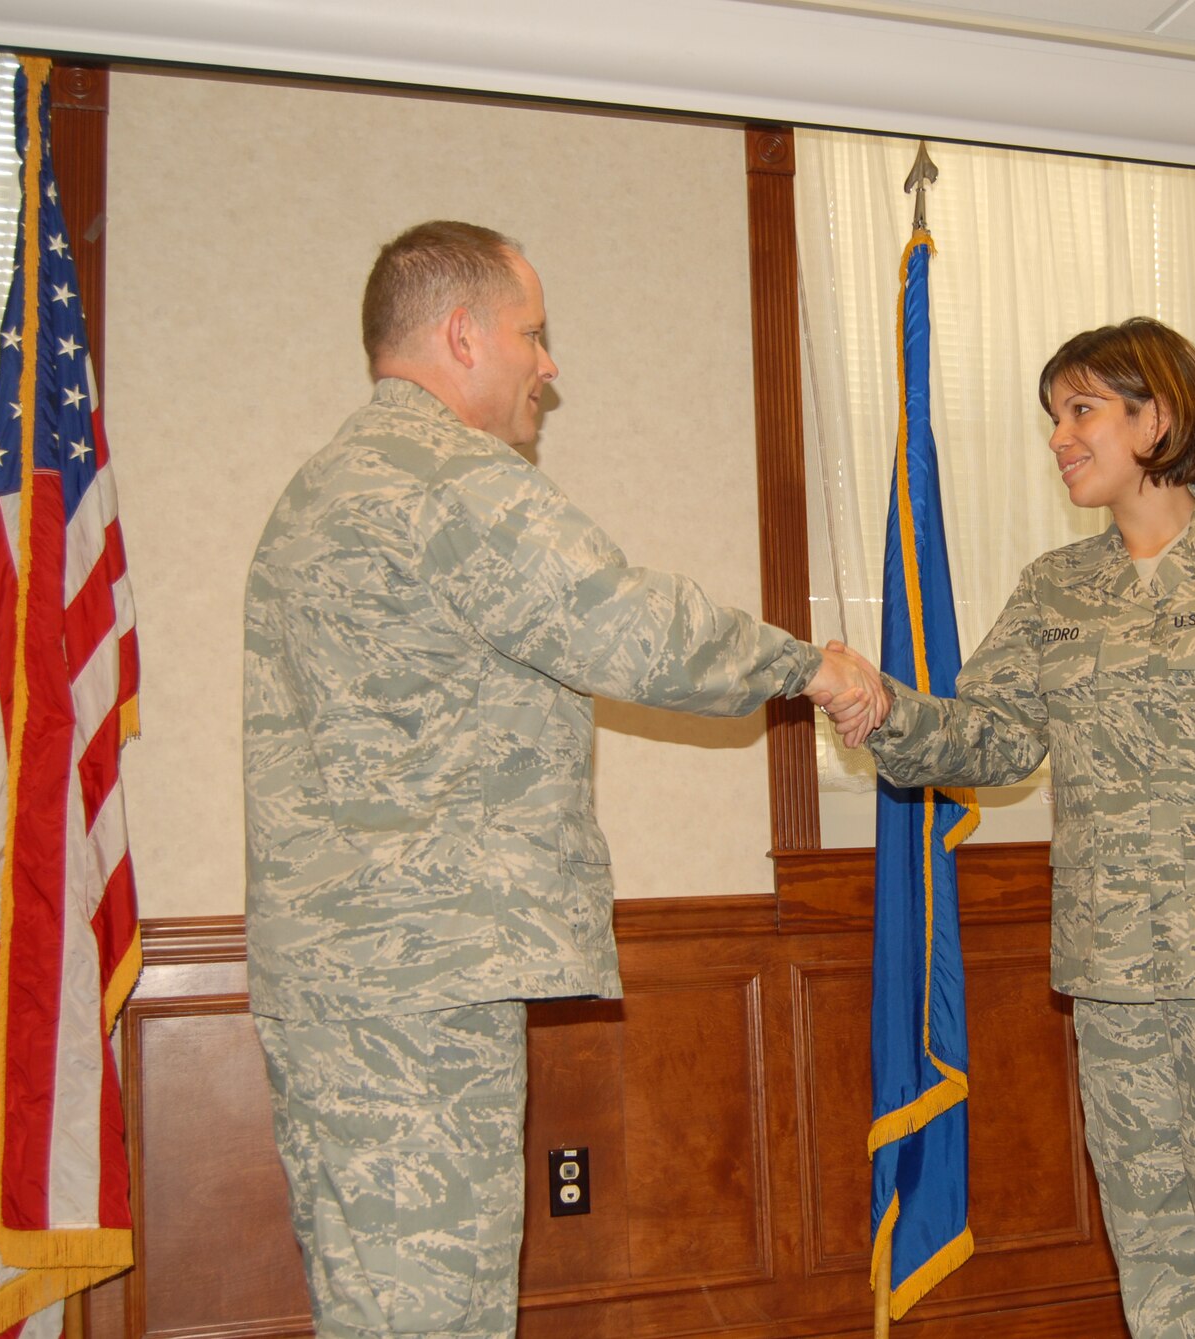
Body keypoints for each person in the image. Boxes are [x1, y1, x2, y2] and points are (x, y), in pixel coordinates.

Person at [242, 219, 883, 1339]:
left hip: (343, 976)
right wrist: (807, 662)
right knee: (433, 1315)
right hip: (419, 983)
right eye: (532, 335)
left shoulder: (318, 489)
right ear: (460, 334)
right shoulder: (446, 478)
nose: (549, 365)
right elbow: (626, 625)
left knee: (375, 1303)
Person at [843, 317, 1195, 1338]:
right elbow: (992, 739)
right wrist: (883, 710)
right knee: (1155, 1254)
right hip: (1117, 979)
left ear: (1157, 415)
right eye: (1052, 416)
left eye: (1081, 410)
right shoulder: (1055, 590)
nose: (1058, 436)